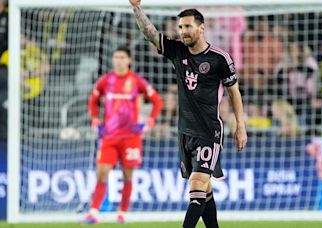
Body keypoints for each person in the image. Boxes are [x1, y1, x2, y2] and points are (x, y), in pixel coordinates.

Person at [129, 1, 248, 227]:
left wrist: (240, 126)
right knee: (205, 189)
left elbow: (234, 92)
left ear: (201, 28)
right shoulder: (177, 52)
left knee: (196, 184)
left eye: (188, 27)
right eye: (180, 27)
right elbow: (150, 34)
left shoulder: (219, 58)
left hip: (209, 132)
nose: (183, 31)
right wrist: (137, 8)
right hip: (185, 132)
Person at [84, 46, 163, 224]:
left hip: (131, 137)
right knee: (102, 172)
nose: (118, 60)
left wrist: (149, 122)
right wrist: (95, 119)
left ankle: (123, 213)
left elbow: (157, 101)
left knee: (128, 175)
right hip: (109, 136)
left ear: (129, 60)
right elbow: (93, 101)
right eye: (116, 57)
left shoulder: (137, 81)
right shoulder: (105, 81)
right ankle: (94, 212)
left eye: (122, 57)